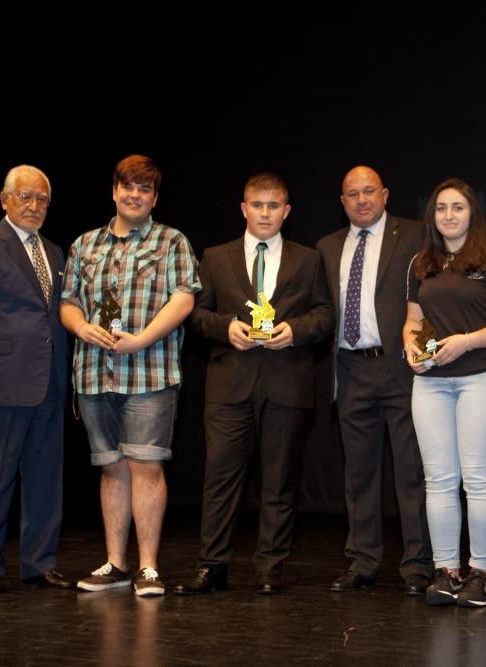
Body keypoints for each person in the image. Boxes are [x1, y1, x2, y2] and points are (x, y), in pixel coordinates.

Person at [175, 172, 332, 596]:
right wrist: (225, 328)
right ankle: (212, 566)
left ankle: (269, 568)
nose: (265, 213)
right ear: (244, 209)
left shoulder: (308, 258)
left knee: (279, 481)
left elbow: (324, 315)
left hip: (287, 382)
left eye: (273, 206)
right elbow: (196, 315)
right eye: (257, 205)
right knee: (220, 477)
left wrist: (294, 331)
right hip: (229, 383)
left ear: (287, 212)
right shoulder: (215, 256)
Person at [60, 155, 200, 597]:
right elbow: (68, 302)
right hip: (94, 375)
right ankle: (116, 564)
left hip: (149, 372)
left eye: (144, 189)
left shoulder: (172, 241)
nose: (134, 195)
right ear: (114, 191)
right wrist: (80, 326)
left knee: (146, 467)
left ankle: (149, 568)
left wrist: (141, 340)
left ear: (154, 198)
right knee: (110, 470)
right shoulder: (85, 245)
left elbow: (184, 300)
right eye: (127, 187)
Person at [402, 177, 486, 607]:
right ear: (432, 216)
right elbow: (413, 320)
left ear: (471, 212)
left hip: (484, 378)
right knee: (438, 482)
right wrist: (410, 347)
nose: (449, 215)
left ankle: (483, 574)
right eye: (441, 208)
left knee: (477, 479)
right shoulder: (422, 262)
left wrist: (467, 340)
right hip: (431, 383)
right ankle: (446, 571)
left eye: (457, 207)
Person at [0, 165, 73, 594]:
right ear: (4, 199)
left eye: (42, 199)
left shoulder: (55, 252)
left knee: (45, 479)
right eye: (25, 196)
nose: (34, 205)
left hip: (50, 382)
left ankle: (39, 563)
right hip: (1, 382)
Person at [316, 166, 432, 596]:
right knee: (358, 474)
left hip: (399, 365)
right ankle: (363, 561)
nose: (362, 199)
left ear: (385, 194)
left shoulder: (416, 234)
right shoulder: (327, 247)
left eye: (369, 191)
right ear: (342, 201)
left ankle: (418, 565)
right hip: (349, 368)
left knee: (410, 471)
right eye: (352, 194)